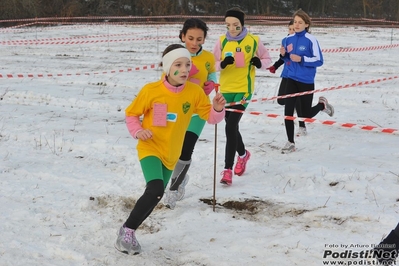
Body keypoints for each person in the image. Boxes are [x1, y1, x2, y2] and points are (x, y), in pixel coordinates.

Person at [115, 44, 226, 255]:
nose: (185, 69)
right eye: (179, 65)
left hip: (171, 154)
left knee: (156, 195)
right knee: (155, 189)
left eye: (188, 64)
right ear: (167, 68)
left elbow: (211, 118)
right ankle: (127, 231)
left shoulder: (194, 92)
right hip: (150, 147)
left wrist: (218, 108)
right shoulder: (151, 91)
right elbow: (131, 114)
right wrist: (138, 131)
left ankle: (129, 230)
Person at [213, 7, 272, 185]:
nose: (231, 28)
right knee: (232, 127)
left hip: (243, 90)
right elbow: (212, 64)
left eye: (235, 25)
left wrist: (259, 62)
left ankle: (227, 170)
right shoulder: (222, 41)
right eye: (228, 25)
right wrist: (222, 63)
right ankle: (243, 154)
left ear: (242, 24)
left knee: (230, 128)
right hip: (225, 90)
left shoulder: (253, 40)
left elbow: (267, 59)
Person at [163, 18, 217, 210]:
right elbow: (164, 80)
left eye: (199, 39)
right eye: (191, 38)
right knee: (172, 151)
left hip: (197, 111)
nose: (195, 43)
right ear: (183, 36)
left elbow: (212, 75)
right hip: (176, 111)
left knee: (186, 150)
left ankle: (174, 189)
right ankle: (179, 177)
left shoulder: (208, 57)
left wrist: (212, 84)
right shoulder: (174, 55)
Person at [279, 9, 334, 154]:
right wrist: (283, 55)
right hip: (291, 79)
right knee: (288, 112)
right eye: (295, 22)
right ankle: (290, 142)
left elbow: (319, 60)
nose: (296, 25)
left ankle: (322, 105)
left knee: (306, 115)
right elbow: (286, 59)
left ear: (307, 25)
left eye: (300, 22)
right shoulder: (287, 39)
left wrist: (302, 59)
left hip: (306, 81)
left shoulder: (311, 40)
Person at [268, 20, 307, 137]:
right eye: (289, 29)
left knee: (299, 104)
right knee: (281, 100)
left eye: (293, 29)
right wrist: (275, 66)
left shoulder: (301, 42)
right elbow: (283, 58)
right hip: (286, 74)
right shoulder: (285, 41)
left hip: (297, 77)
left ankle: (302, 126)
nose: (291, 32)